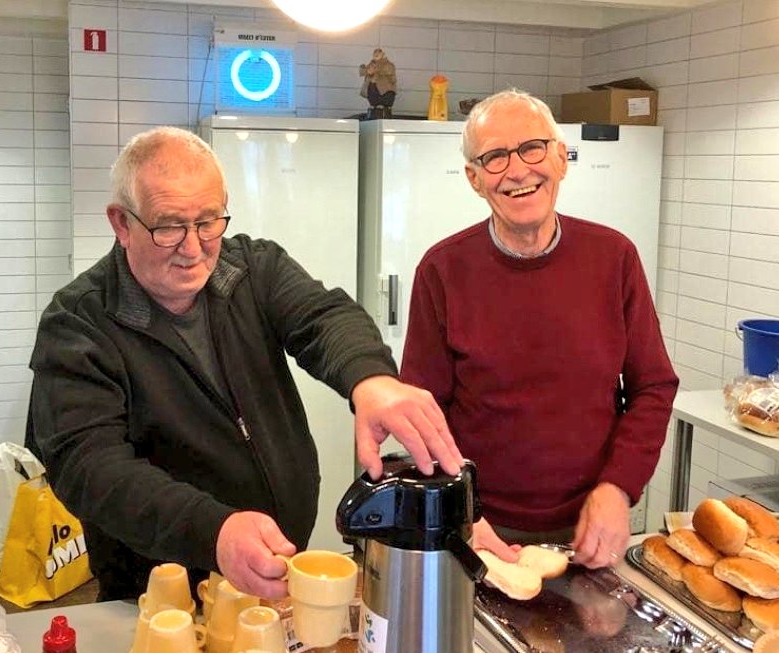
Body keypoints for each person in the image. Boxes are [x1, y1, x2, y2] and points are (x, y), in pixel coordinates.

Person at [26, 126, 462, 601]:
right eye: (169, 226)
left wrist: (371, 378)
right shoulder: (79, 322)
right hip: (158, 588)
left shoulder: (253, 268)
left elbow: (323, 317)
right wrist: (214, 532)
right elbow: (88, 466)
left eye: (208, 221)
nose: (193, 248)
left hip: (276, 561)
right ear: (121, 223)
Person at [400, 89, 679, 569]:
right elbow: (421, 412)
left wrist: (618, 488)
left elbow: (653, 386)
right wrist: (460, 509)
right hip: (479, 528)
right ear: (473, 178)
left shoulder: (614, 258)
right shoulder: (443, 270)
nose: (517, 170)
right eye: (494, 158)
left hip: (593, 526)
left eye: (532, 147)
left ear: (561, 157)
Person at [359, 48, 396, 115]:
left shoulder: (388, 64)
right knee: (373, 95)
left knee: (384, 98)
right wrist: (366, 70)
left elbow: (389, 70)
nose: (376, 55)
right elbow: (363, 72)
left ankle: (382, 105)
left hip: (384, 90)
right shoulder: (372, 64)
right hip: (372, 89)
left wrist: (375, 70)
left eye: (378, 54)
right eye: (375, 54)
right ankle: (374, 104)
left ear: (382, 54)